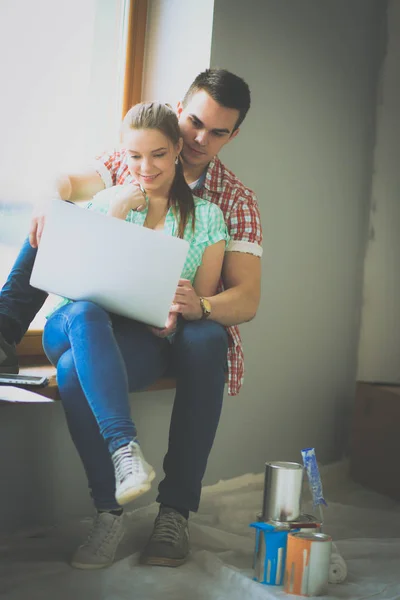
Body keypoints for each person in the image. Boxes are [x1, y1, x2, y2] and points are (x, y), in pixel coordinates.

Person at [0, 69, 263, 568]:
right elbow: (71, 211)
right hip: (85, 315)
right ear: (178, 110)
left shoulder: (223, 204)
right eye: (194, 122)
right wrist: (53, 200)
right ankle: (6, 328)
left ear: (234, 135)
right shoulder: (132, 164)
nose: (200, 139)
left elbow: (244, 297)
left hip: (161, 331)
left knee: (195, 341)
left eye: (218, 132)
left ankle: (156, 513)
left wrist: (190, 308)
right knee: (80, 299)